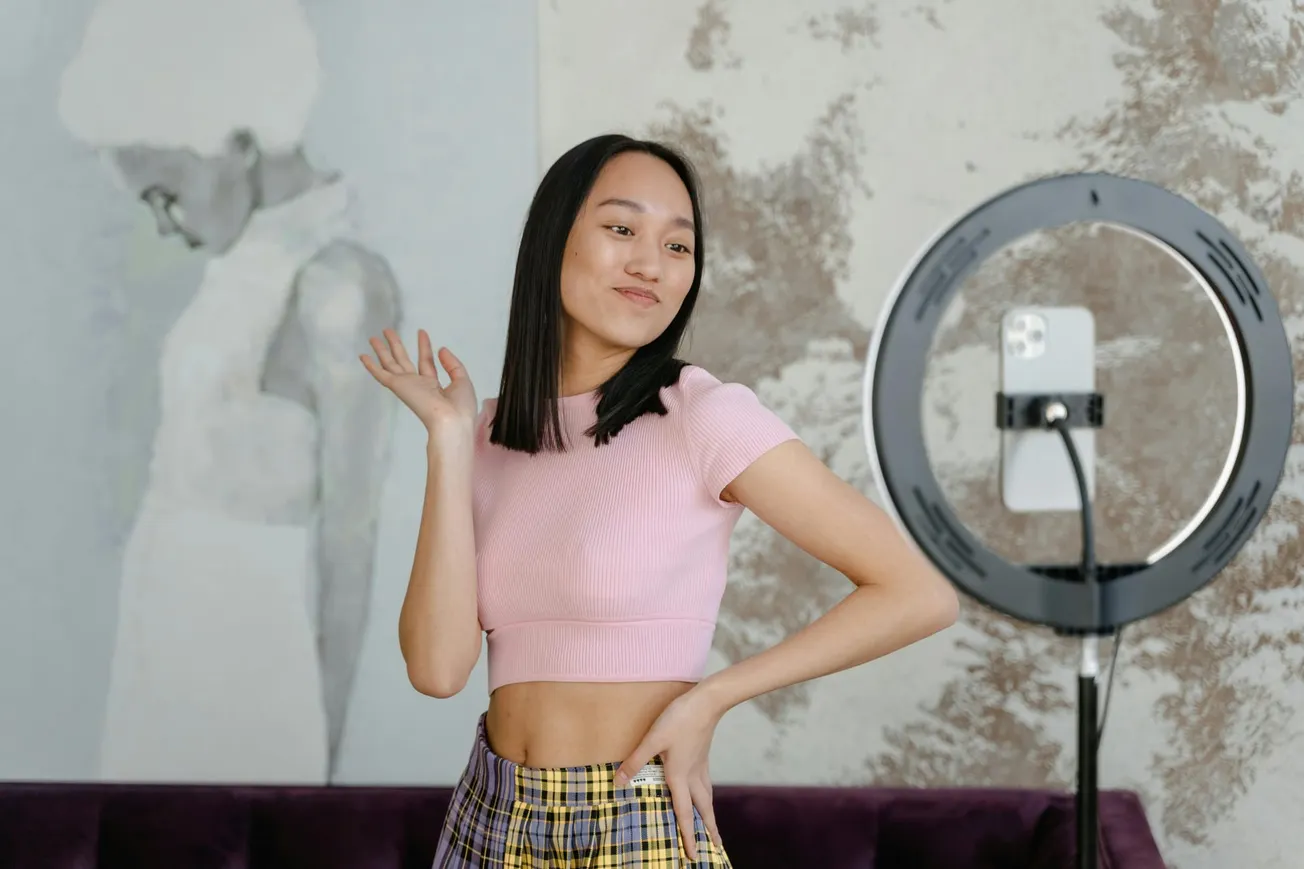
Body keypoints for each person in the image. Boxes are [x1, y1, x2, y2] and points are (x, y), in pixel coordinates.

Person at [360, 134, 959, 867]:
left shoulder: (700, 414)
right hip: (487, 819)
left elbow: (919, 591)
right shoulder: (485, 436)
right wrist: (448, 440)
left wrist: (712, 697)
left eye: (678, 246)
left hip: (633, 817)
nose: (651, 264)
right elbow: (437, 670)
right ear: (552, 241)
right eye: (622, 229)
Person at [60, 0, 401, 783]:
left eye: (165, 192)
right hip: (163, 651)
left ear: (240, 141)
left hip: (248, 667)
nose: (165, 224)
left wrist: (319, 779)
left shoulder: (336, 285)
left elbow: (349, 545)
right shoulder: (238, 269)